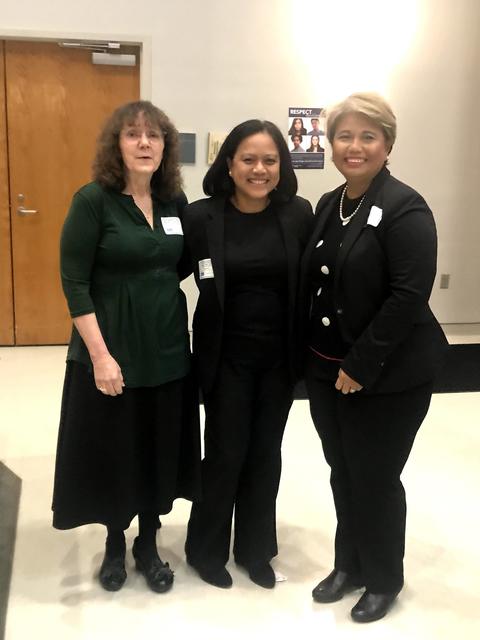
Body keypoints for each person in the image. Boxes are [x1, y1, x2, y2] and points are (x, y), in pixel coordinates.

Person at [301, 92, 447, 622]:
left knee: (375, 477)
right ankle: (349, 565)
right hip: (327, 369)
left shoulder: (406, 207)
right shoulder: (329, 203)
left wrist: (359, 366)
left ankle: (384, 578)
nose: (354, 146)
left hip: (390, 374)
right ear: (330, 143)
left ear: (387, 144)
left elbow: (408, 296)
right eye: (344, 135)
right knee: (343, 471)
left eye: (368, 136)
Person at [52, 100, 201, 594]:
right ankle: (116, 542)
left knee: (158, 446)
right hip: (111, 350)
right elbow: (74, 282)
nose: (144, 143)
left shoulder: (174, 202)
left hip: (166, 348)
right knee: (118, 449)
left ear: (166, 146)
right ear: (115, 145)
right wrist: (100, 356)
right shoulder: (93, 201)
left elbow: (180, 263)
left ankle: (148, 543)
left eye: (154, 135)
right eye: (133, 134)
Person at [183, 120, 313, 589]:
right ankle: (206, 550)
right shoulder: (201, 217)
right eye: (249, 159)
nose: (260, 169)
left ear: (282, 165)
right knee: (224, 454)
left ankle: (256, 551)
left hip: (279, 360)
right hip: (225, 360)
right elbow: (163, 273)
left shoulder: (298, 214)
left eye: (270, 160)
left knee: (264, 454)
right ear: (229, 164)